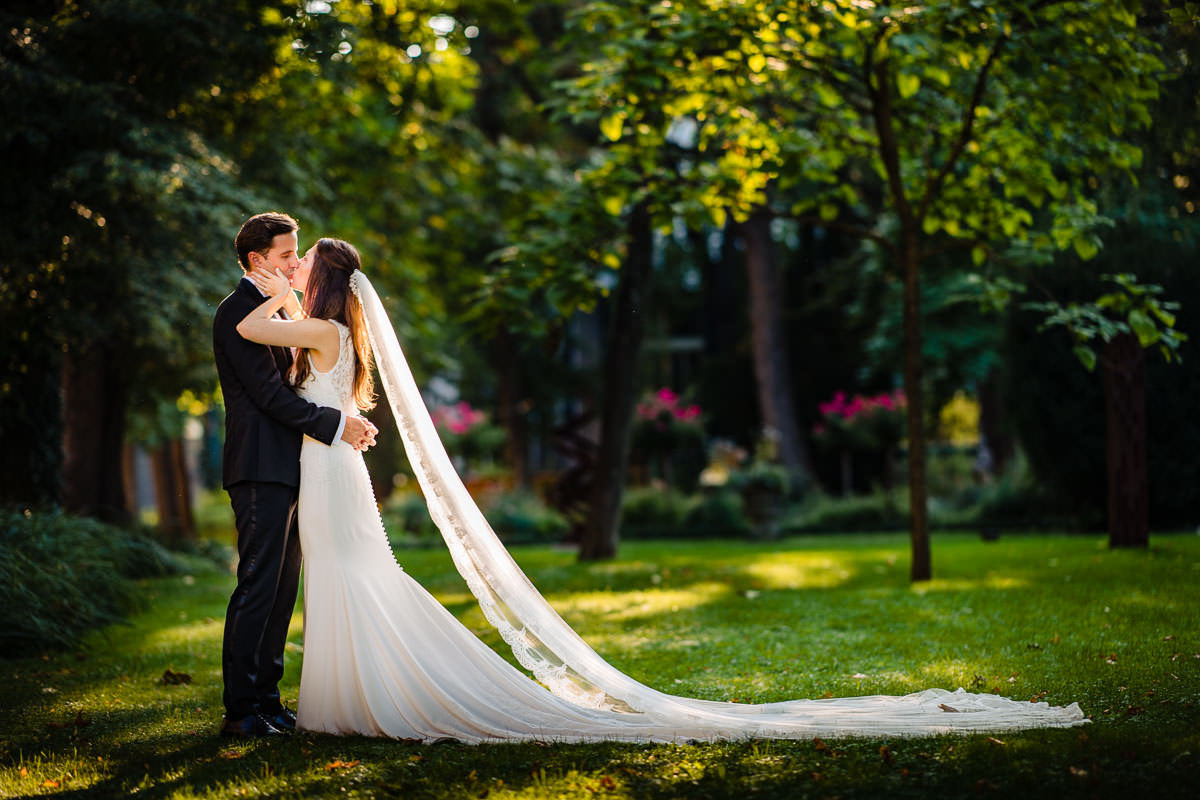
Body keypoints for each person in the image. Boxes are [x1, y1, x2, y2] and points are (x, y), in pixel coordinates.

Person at [235, 237, 1088, 743]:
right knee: (348, 575)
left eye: (303, 264)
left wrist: (270, 291)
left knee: (356, 575)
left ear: (326, 282)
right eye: (287, 261)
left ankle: (377, 692)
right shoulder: (333, 327)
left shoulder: (319, 324)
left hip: (330, 469)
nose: (294, 269)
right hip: (329, 464)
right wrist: (286, 299)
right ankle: (345, 695)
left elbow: (249, 326)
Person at [212, 213, 378, 738]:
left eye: (296, 255)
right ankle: (241, 711)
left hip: (294, 467)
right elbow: (269, 396)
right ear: (256, 259)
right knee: (258, 585)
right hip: (259, 465)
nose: (293, 264)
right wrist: (337, 425)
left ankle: (268, 700)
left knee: (283, 591)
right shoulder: (236, 311)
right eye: (286, 255)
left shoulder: (284, 310)